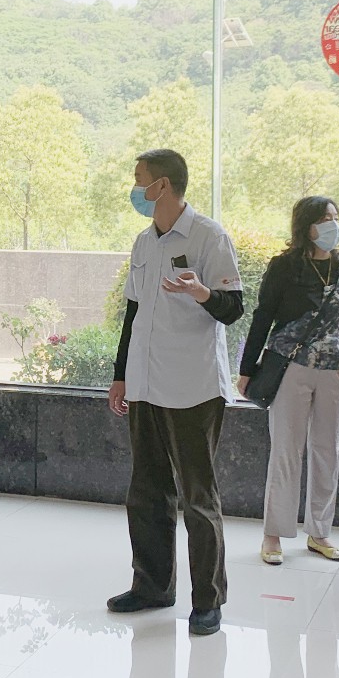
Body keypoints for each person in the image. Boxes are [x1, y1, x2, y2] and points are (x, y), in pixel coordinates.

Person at [106, 149, 243, 638]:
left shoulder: (209, 235)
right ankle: (152, 586)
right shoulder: (144, 241)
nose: (134, 187)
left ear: (162, 185)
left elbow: (233, 308)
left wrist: (202, 292)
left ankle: (208, 600)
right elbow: (133, 313)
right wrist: (121, 374)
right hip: (145, 382)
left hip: (193, 386)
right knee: (146, 491)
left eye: (138, 178)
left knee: (198, 497)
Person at [239, 196, 339, 566]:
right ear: (306, 226)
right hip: (292, 368)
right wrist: (247, 369)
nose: (332, 224)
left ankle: (320, 532)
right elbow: (263, 316)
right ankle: (273, 534)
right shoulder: (284, 266)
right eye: (324, 218)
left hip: (333, 371)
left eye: (335, 217)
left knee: (327, 451)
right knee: (286, 450)